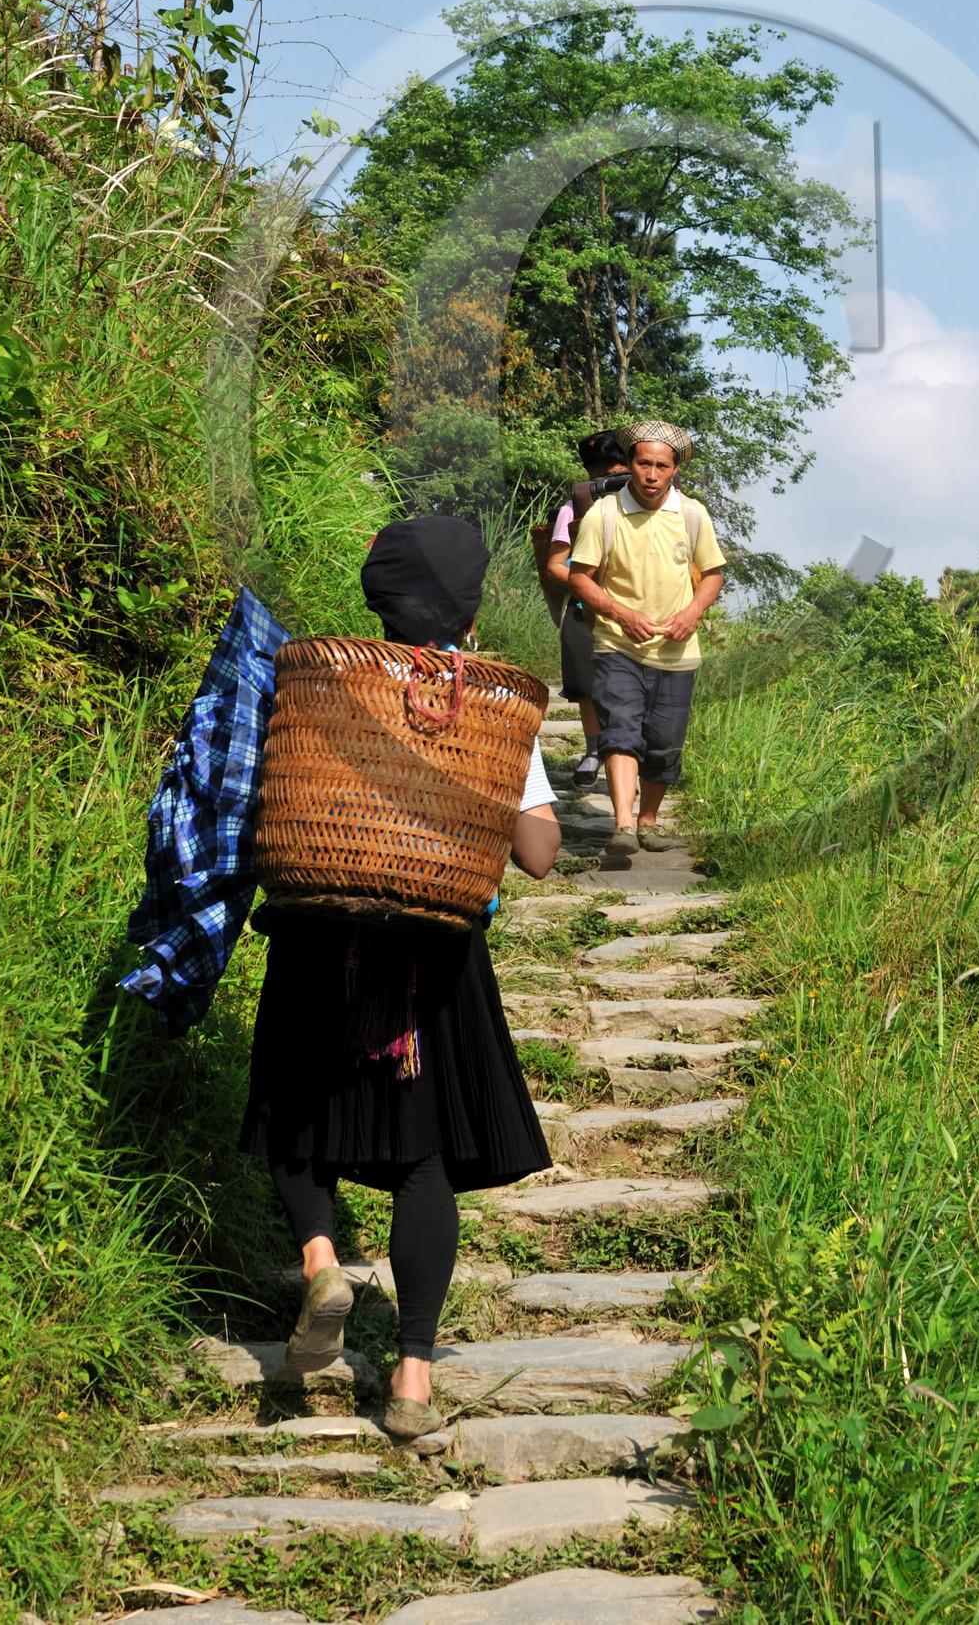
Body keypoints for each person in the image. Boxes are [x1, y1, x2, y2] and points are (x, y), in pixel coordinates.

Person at [237, 515, 561, 1441]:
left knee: (294, 1114)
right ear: (468, 612)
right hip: (435, 955)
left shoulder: (326, 679)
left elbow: (265, 798)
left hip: (319, 932)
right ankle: (413, 1376)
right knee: (424, 1162)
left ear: (379, 602)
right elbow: (539, 853)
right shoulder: (483, 702)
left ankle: (320, 1261)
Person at [566, 420, 725, 866]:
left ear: (675, 469)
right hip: (617, 644)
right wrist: (621, 614)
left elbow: (713, 575)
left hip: (676, 651)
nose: (651, 475)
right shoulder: (604, 514)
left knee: (664, 744)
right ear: (630, 464)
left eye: (661, 466)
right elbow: (580, 577)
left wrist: (693, 613)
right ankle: (623, 825)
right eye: (643, 464)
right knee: (621, 731)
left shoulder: (692, 514)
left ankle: (649, 821)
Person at [544, 429, 629, 790]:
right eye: (601, 476)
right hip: (584, 610)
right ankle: (594, 751)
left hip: (639, 610)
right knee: (586, 684)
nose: (610, 483)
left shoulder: (655, 505)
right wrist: (590, 589)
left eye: (616, 474)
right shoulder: (575, 507)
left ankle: (623, 755)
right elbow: (555, 565)